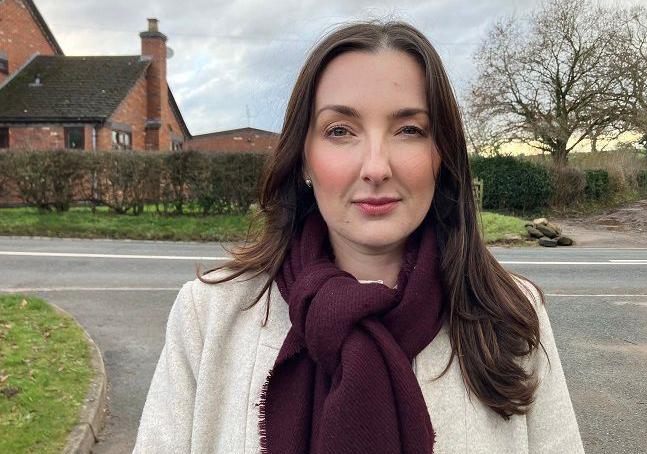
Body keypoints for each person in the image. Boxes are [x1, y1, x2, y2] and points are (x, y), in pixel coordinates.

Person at [133, 20, 585, 454]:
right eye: (340, 131)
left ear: (441, 154)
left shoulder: (510, 314)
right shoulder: (208, 317)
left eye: (409, 130)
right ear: (304, 157)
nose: (375, 167)